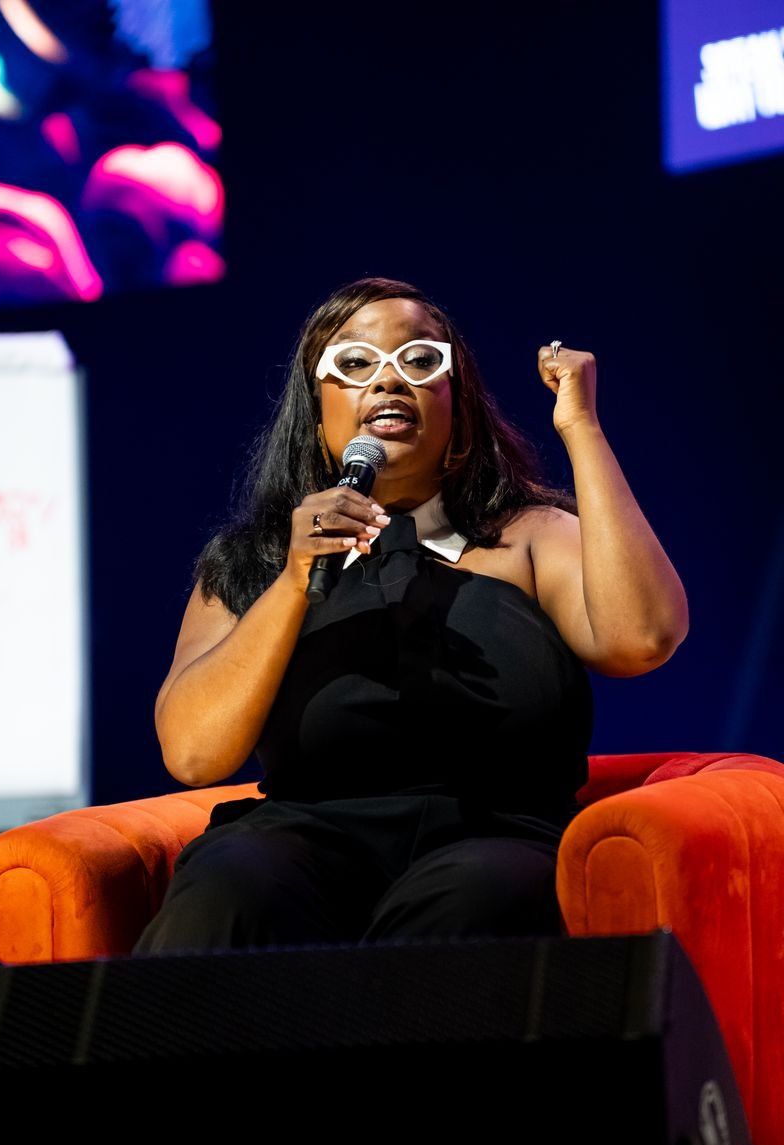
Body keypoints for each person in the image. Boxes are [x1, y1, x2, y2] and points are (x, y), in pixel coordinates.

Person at [132, 275, 689, 956]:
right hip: (303, 837)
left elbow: (644, 638)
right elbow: (193, 753)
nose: (389, 380)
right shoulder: (256, 561)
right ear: (317, 414)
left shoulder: (530, 537)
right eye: (355, 364)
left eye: (421, 360)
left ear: (457, 406)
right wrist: (296, 578)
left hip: (495, 838)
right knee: (231, 887)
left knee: (479, 895)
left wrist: (582, 428)